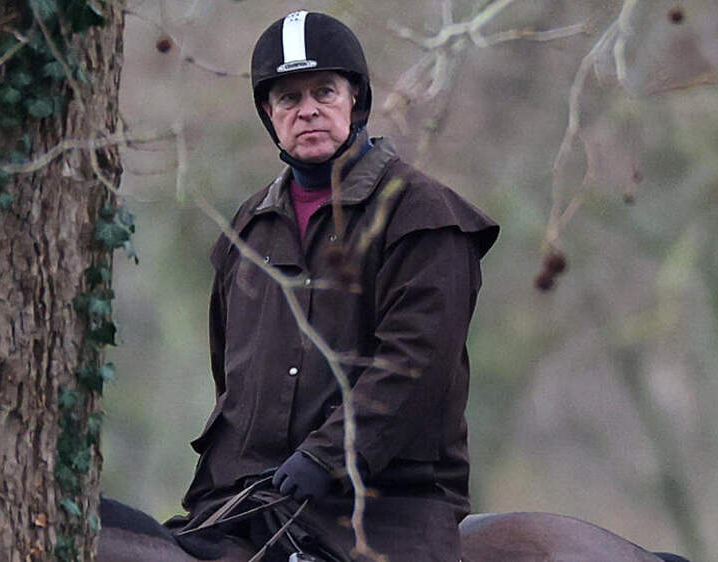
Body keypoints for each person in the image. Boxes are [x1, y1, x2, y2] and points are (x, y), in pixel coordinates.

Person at [168, 10, 499, 561]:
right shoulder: (246, 230)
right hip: (248, 497)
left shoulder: (423, 215)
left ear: (355, 99)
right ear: (269, 114)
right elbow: (230, 373)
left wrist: (328, 456)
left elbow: (416, 363)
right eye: (288, 98)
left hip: (385, 504)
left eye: (324, 91)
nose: (308, 110)